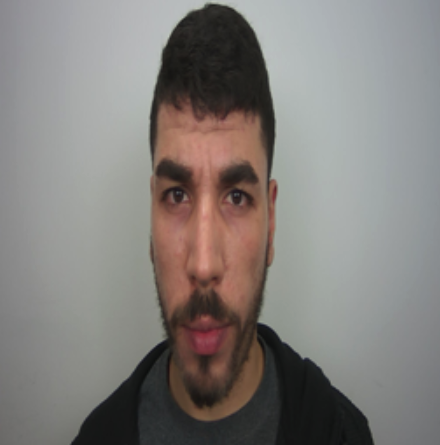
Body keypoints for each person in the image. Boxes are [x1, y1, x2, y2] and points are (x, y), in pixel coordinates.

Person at [72, 4, 373, 444]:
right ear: (151, 215)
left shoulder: (339, 434)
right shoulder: (97, 438)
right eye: (177, 195)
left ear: (271, 223)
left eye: (236, 197)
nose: (204, 265)